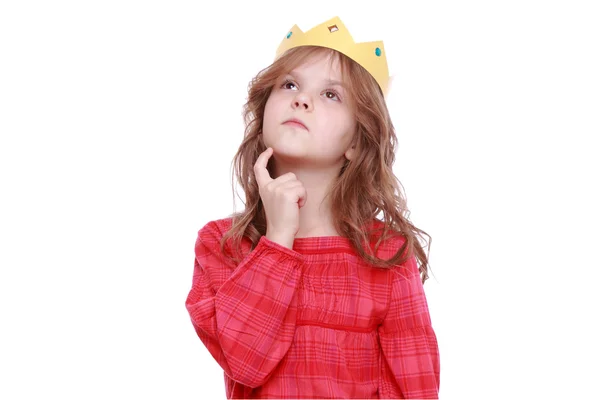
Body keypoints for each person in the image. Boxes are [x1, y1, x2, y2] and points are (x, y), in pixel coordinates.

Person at [185, 16, 440, 399]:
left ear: (356, 142)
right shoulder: (222, 245)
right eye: (290, 84)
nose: (301, 99)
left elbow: (415, 388)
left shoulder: (387, 254)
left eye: (331, 94)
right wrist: (278, 240)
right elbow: (246, 363)